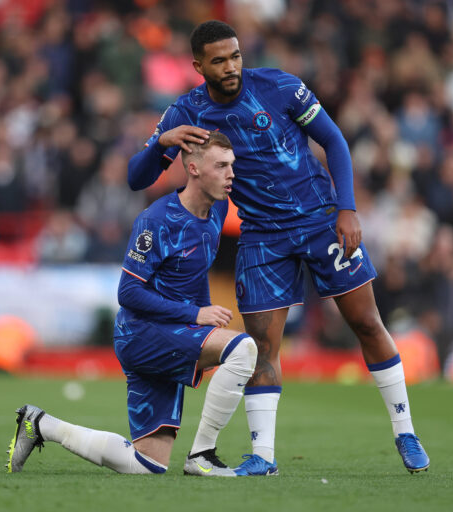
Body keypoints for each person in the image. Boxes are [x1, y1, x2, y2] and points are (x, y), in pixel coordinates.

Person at [127, 20, 430, 475]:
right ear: (198, 66)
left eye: (235, 56)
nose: (230, 67)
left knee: (367, 322)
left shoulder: (281, 87)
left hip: (321, 221)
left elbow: (334, 140)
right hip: (263, 237)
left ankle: (406, 431)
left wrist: (346, 207)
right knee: (263, 349)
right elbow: (137, 178)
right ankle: (263, 456)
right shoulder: (185, 113)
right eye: (218, 60)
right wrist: (162, 144)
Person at [7, 131, 258, 477]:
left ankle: (40, 424)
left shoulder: (216, 212)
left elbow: (196, 274)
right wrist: (196, 314)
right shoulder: (156, 221)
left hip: (173, 332)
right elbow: (127, 293)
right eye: (221, 165)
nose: (232, 173)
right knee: (244, 348)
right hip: (142, 334)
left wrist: (203, 322)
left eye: (232, 165)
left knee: (147, 465)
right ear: (194, 169)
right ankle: (202, 455)